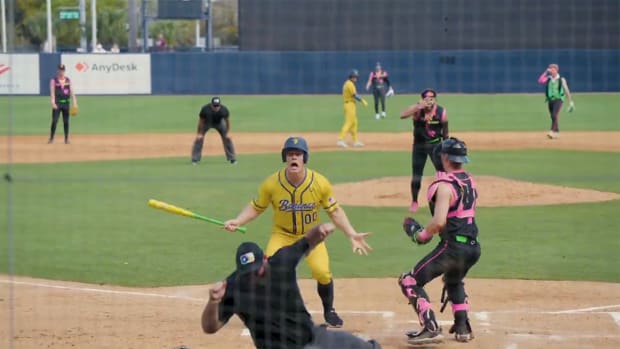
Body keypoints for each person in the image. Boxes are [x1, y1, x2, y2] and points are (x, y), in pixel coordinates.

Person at [224, 136, 373, 328]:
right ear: (285, 158)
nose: (294, 157)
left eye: (298, 154)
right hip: (282, 234)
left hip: (311, 238)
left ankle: (329, 310)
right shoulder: (272, 183)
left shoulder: (319, 183)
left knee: (322, 273)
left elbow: (334, 211)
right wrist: (238, 220)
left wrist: (351, 234)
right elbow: (256, 207)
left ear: (304, 158)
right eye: (290, 154)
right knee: (267, 271)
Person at [202, 223, 382, 349]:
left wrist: (320, 230)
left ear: (265, 260)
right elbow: (210, 327)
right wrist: (213, 301)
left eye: (257, 270)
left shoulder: (281, 262)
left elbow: (306, 241)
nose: (254, 276)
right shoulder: (233, 288)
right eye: (248, 274)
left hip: (312, 336)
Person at [398, 137, 481, 345]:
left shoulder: (444, 186)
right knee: (453, 280)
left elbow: (439, 222)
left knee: (410, 280)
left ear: (444, 157)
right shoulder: (469, 181)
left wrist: (420, 235)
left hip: (452, 247)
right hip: (473, 247)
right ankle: (462, 328)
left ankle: (430, 327)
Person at [400, 89, 449, 212]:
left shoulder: (441, 112)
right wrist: (418, 106)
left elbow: (445, 132)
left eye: (431, 98)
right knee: (417, 175)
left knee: (442, 173)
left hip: (435, 146)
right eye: (426, 99)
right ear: (422, 99)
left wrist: (445, 147)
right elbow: (403, 115)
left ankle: (444, 199)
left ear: (435, 99)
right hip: (419, 146)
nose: (429, 101)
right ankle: (414, 201)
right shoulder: (417, 110)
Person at [191, 96, 237, 165]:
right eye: (214, 106)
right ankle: (195, 159)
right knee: (199, 139)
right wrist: (199, 133)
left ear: (219, 105)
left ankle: (232, 158)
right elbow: (201, 121)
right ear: (211, 105)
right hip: (207, 123)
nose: (216, 108)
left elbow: (227, 121)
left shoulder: (224, 110)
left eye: (217, 106)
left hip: (219, 123)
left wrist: (227, 133)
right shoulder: (205, 109)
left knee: (227, 139)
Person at [537, 64, 575, 139]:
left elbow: (566, 90)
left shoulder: (561, 79)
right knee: (552, 116)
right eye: (551, 69)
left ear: (557, 70)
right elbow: (540, 80)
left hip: (559, 99)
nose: (552, 71)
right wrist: (545, 72)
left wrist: (570, 102)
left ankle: (552, 131)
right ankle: (557, 131)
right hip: (550, 100)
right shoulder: (549, 78)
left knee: (554, 115)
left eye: (553, 69)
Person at [338, 69, 368, 148]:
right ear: (351, 77)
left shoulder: (349, 83)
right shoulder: (349, 84)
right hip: (349, 105)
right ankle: (340, 140)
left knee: (354, 123)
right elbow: (354, 95)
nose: (356, 78)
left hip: (351, 104)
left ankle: (355, 141)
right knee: (349, 123)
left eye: (356, 77)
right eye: (354, 76)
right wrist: (362, 100)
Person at [48, 64, 78, 144]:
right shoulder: (54, 80)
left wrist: (74, 102)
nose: (61, 71)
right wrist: (53, 102)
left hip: (66, 103)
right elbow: (52, 92)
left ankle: (66, 139)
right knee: (54, 121)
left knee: (66, 121)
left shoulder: (68, 80)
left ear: (64, 71)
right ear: (57, 70)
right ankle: (51, 138)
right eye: (60, 70)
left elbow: (72, 92)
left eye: (62, 70)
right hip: (57, 103)